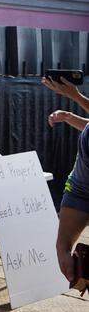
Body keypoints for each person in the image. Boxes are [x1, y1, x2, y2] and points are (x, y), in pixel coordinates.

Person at [44, 76, 89, 287]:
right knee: (63, 250)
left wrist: (75, 96)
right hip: (78, 191)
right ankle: (81, 282)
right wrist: (69, 117)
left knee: (64, 251)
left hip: (79, 191)